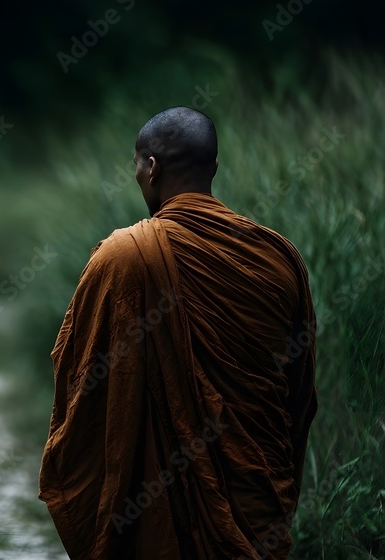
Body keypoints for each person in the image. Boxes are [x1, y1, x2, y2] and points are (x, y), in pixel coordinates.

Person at [38, 106, 317, 559]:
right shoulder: (280, 258)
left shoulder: (124, 256)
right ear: (215, 168)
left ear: (151, 167)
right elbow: (298, 390)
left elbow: (81, 377)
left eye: (135, 165)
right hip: (256, 493)